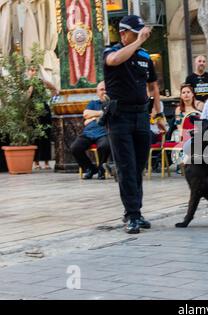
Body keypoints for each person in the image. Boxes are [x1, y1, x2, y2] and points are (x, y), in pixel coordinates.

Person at [103, 15, 166, 234]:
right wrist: (138, 41)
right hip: (119, 117)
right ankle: (132, 215)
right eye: (135, 32)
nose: (141, 35)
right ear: (123, 33)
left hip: (141, 116)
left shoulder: (144, 55)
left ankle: (134, 210)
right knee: (126, 166)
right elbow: (114, 61)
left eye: (141, 32)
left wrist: (159, 115)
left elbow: (153, 86)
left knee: (138, 166)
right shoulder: (111, 51)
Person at [70, 81, 111, 180]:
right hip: (88, 133)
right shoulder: (93, 103)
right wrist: (102, 113)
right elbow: (86, 114)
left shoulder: (111, 104)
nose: (104, 92)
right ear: (97, 92)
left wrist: (92, 117)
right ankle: (90, 168)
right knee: (75, 147)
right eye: (101, 90)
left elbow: (91, 116)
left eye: (106, 89)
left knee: (104, 146)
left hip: (103, 133)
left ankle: (101, 169)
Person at [27, 66, 58, 170]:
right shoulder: (26, 84)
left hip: (44, 110)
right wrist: (30, 87)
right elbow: (25, 98)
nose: (33, 72)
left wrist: (51, 101)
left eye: (35, 70)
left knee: (45, 136)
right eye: (31, 70)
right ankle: (35, 162)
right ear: (27, 72)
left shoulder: (42, 82)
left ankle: (46, 162)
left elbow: (55, 89)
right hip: (32, 112)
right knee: (34, 137)